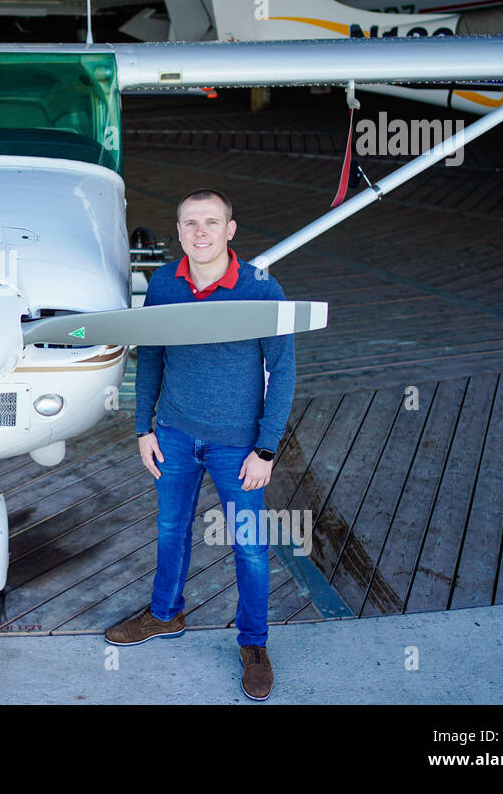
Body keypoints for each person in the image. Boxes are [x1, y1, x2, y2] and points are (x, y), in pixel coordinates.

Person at [107, 189, 295, 701]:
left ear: (230, 230)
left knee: (250, 548)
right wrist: (143, 427)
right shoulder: (166, 282)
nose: (201, 232)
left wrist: (267, 448)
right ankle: (166, 614)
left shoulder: (261, 288)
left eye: (211, 222)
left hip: (238, 445)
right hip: (173, 433)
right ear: (180, 229)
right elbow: (151, 357)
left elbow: (283, 371)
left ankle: (254, 643)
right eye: (190, 223)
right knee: (171, 530)